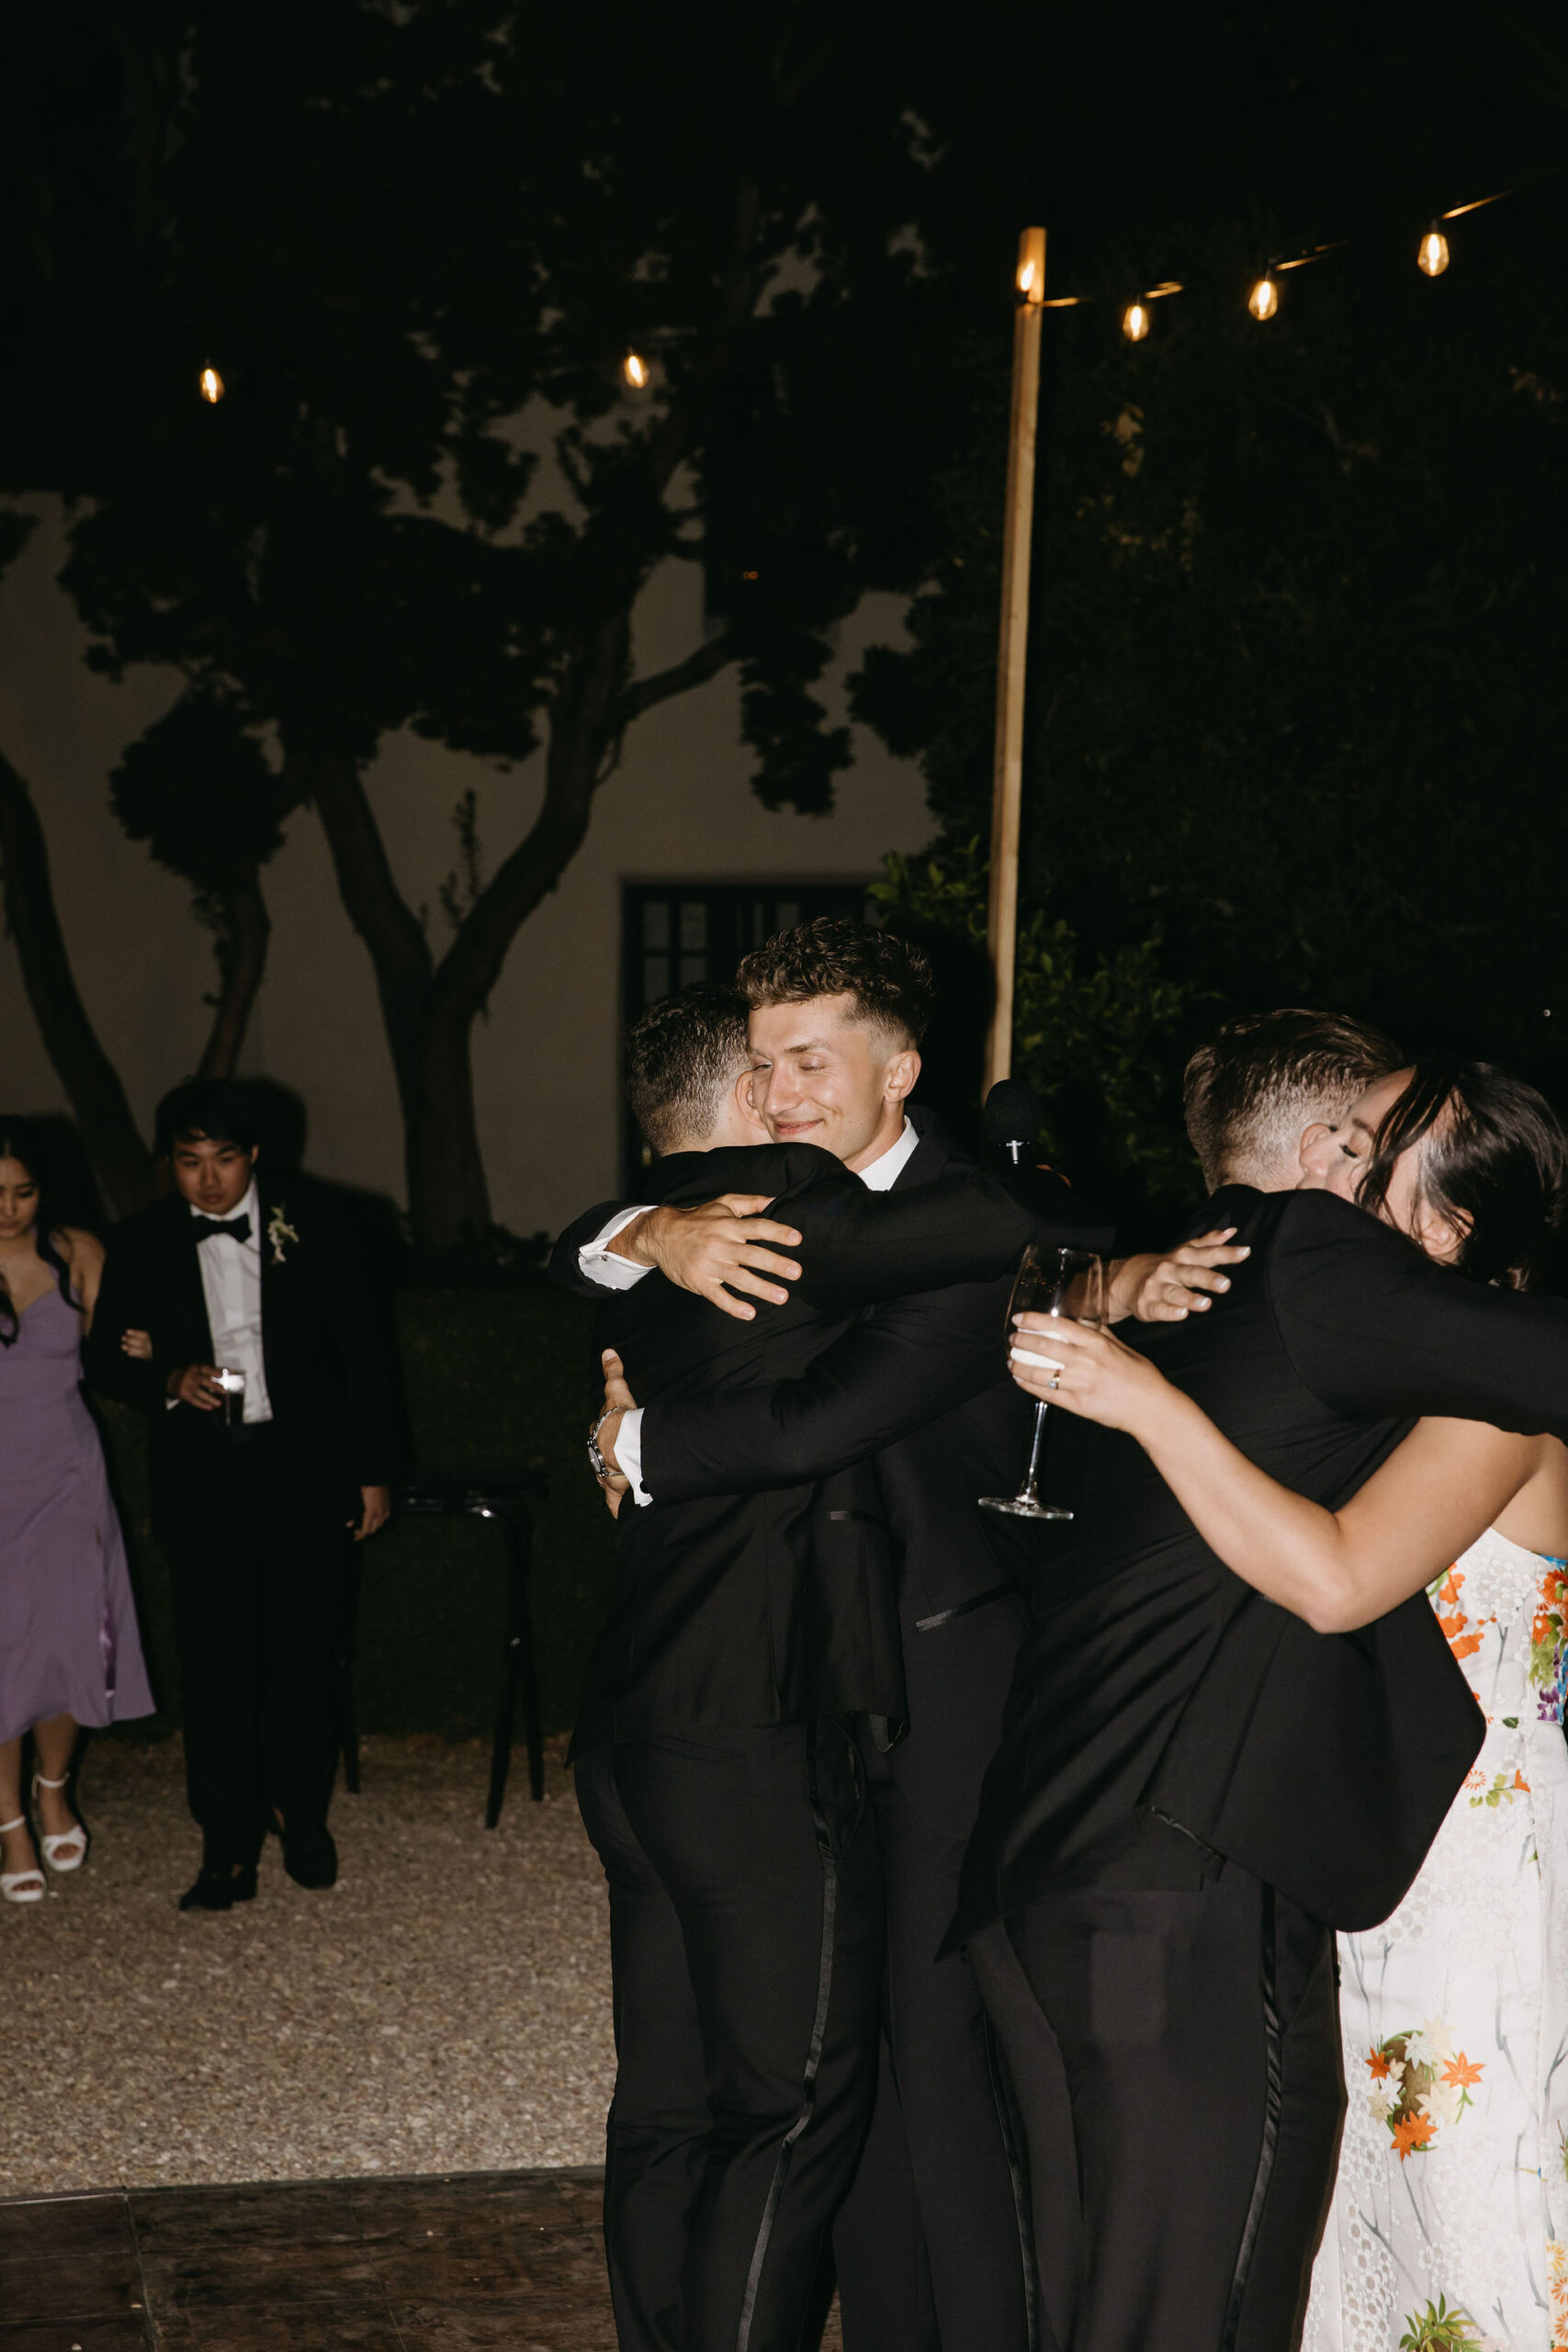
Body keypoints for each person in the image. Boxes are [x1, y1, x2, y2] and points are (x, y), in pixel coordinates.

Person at [569, 923, 1232, 2352]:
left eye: (809, 1060)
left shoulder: (970, 1208)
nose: (781, 1088)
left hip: (937, 1665)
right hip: (781, 1683)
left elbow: (992, 1274)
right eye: (761, 1063)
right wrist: (635, 1231)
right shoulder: (738, 1208)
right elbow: (581, 1261)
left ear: (901, 1068)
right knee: (802, 2052)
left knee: (926, 2038)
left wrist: (644, 1437)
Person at [948, 1010, 1568, 2352]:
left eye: (1386, 1142)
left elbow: (1337, 1579)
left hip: (1423, 1865)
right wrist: (1105, 1297)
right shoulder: (1291, 1324)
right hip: (1231, 1869)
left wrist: (1130, 1371)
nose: (1351, 1167)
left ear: (1457, 1230)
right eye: (1352, 1134)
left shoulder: (1430, 1377)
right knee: (1201, 2293)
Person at [84, 1079, 395, 1913]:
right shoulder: (143, 1242)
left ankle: (301, 1816)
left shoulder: (318, 1223)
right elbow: (104, 1362)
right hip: (204, 1480)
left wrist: (372, 1472)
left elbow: (363, 1355)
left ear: (254, 1155)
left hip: (303, 1471)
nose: (208, 1181)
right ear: (170, 1165)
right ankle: (225, 1845)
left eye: (223, 1159)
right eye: (190, 1163)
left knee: (304, 1653)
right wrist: (166, 1377)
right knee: (215, 1665)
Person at [0, 1115, 154, 1904]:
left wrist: (143, 1352)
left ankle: (53, 1785)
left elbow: (116, 1357)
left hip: (65, 1472)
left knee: (66, 1641)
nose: (9, 1208)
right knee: (2, 1652)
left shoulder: (78, 1253)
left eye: (23, 1191)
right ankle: (9, 1823)